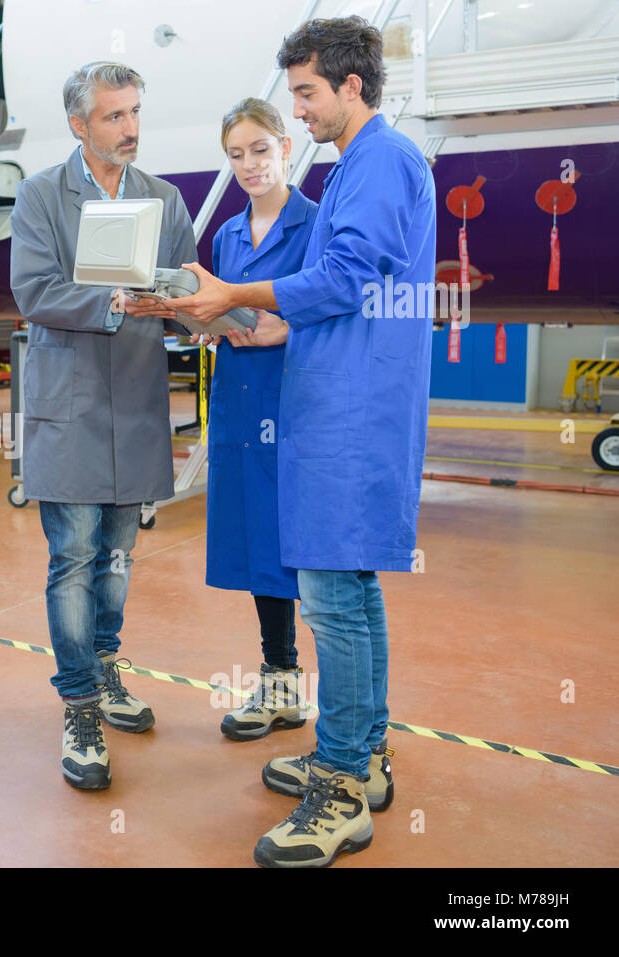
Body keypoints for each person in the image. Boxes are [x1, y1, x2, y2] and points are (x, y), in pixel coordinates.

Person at [162, 17, 436, 866]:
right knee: (349, 594)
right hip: (339, 403)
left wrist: (231, 293)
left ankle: (341, 791)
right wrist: (227, 314)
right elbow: (336, 293)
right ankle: (364, 756)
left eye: (308, 93)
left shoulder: (381, 161)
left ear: (352, 87)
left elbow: (347, 277)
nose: (300, 109)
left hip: (349, 418)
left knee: (333, 598)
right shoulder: (360, 165)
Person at [9, 61, 196, 791]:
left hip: (137, 405)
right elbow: (35, 291)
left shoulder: (164, 197)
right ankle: (80, 704)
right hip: (72, 405)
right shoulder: (40, 197)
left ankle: (107, 668)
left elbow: (185, 283)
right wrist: (118, 302)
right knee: (73, 556)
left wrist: (217, 314)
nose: (130, 129)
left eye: (135, 113)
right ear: (79, 124)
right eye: (115, 116)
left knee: (117, 557)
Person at [204, 98, 317, 743]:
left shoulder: (317, 225)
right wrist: (207, 323)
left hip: (292, 404)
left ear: (285, 148)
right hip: (239, 403)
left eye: (259, 151)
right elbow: (223, 308)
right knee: (256, 542)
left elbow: (335, 309)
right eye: (236, 155)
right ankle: (280, 684)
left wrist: (285, 329)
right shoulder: (225, 235)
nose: (249, 166)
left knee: (301, 544)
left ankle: (346, 712)